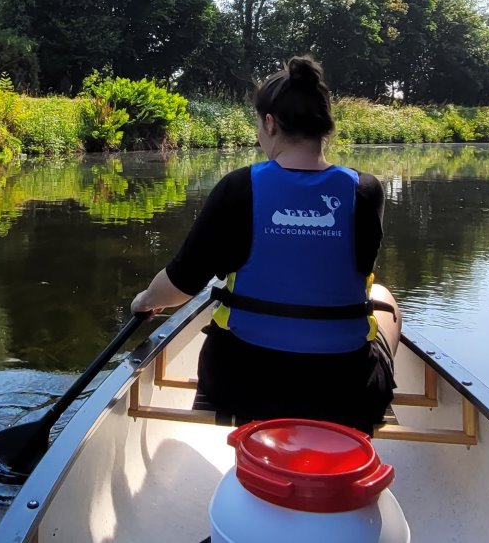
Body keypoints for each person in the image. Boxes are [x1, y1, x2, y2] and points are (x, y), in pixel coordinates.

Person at [129, 55, 399, 433]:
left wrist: (145, 301)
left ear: (270, 123)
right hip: (345, 389)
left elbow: (181, 283)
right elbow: (353, 268)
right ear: (323, 125)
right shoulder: (366, 191)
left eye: (259, 124)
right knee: (384, 298)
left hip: (242, 384)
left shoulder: (238, 187)